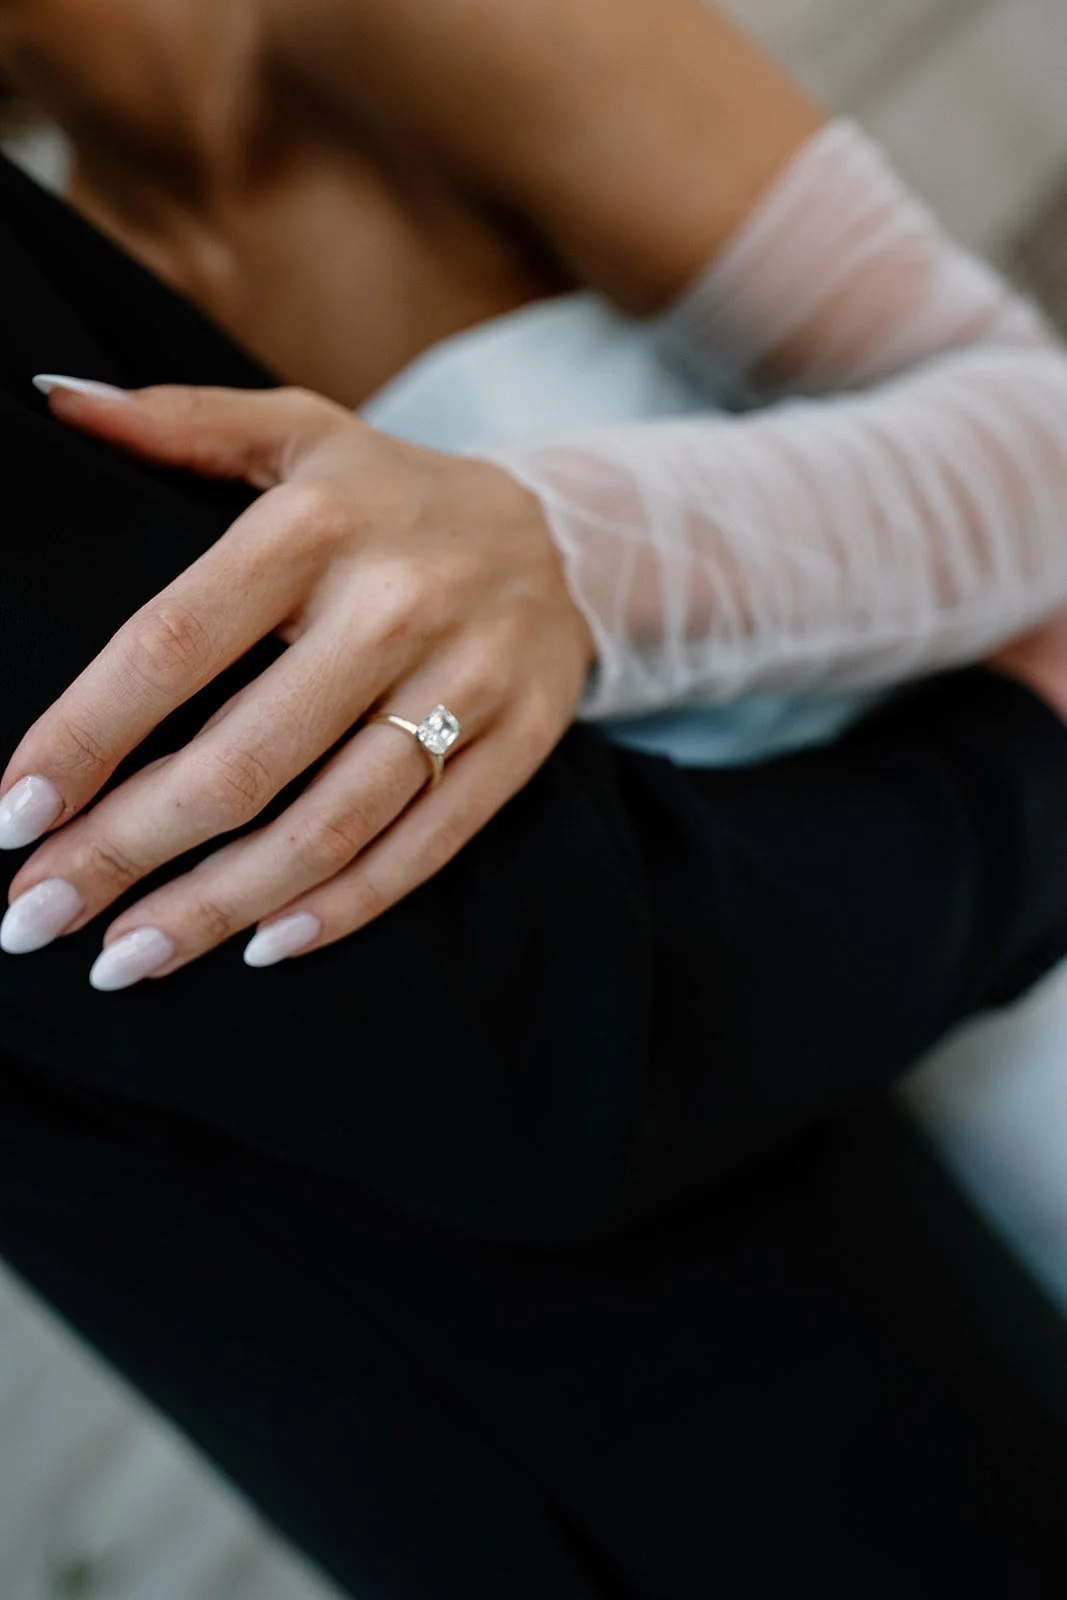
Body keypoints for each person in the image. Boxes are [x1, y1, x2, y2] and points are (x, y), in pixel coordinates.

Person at [3, 2, 1067, 1592]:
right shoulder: (66, 300)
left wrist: (558, 549)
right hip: (799, 1149)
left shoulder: (424, 19)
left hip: (1015, 975)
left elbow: (1043, 439)